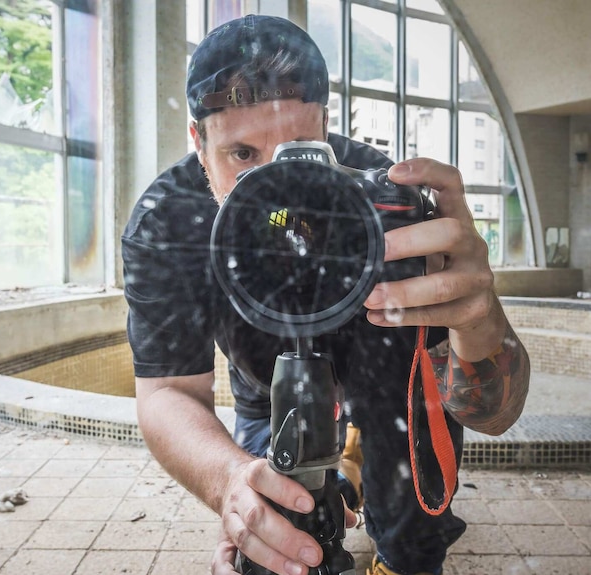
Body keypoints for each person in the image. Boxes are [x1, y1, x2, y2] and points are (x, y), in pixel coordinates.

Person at [122, 14, 530, 575]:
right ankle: (349, 466)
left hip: (388, 382)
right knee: (272, 523)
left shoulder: (387, 207)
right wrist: (229, 483)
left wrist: (479, 323)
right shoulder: (169, 223)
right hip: (267, 387)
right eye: (243, 156)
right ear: (198, 143)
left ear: (327, 126)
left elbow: (491, 414)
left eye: (298, 147)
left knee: (412, 538)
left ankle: (369, 471)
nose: (276, 196)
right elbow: (167, 392)